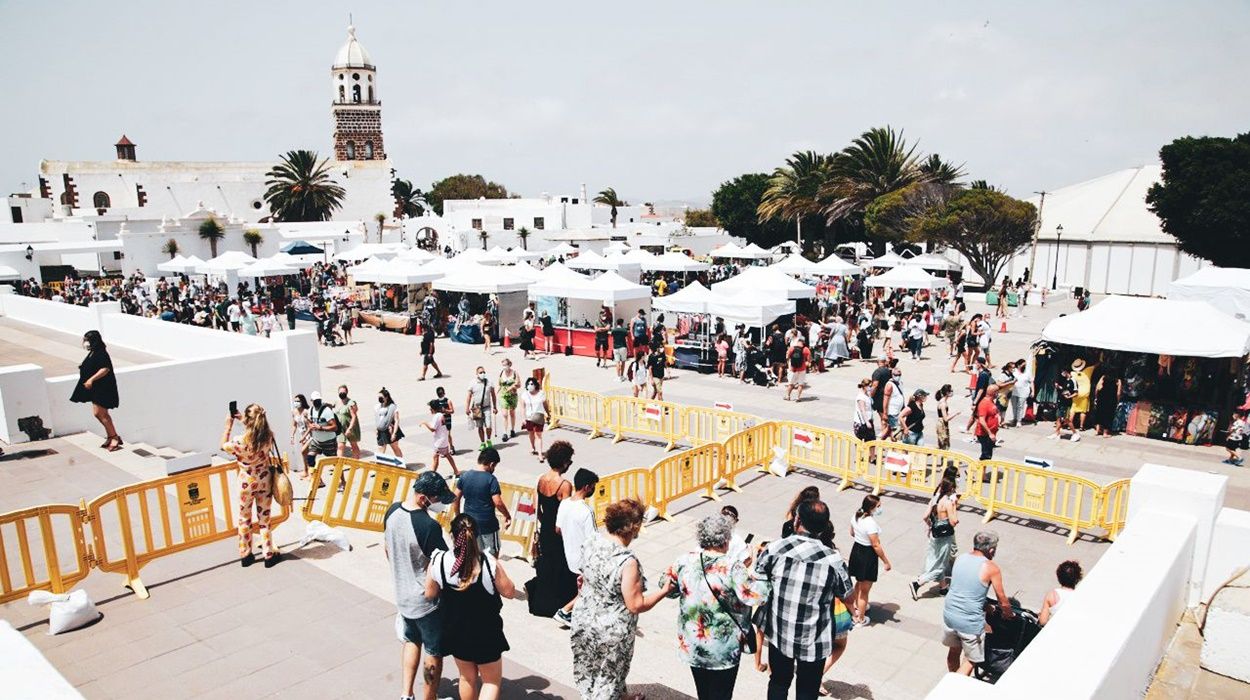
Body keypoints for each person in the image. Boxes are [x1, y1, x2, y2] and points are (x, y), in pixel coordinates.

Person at [570, 499, 673, 699]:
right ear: (633, 528)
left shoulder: (592, 541)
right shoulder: (627, 562)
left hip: (583, 618)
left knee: (589, 671)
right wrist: (665, 590)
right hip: (610, 630)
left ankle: (620, 695)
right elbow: (635, 604)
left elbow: (581, 576)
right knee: (608, 678)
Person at [754, 500, 853, 700]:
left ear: (797, 520)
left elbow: (758, 579)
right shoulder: (834, 561)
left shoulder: (775, 549)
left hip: (780, 632)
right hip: (815, 638)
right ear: (825, 527)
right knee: (807, 691)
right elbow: (846, 593)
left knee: (778, 683)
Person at [662, 514, 770, 699]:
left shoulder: (683, 561)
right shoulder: (733, 567)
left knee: (703, 692)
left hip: (694, 643)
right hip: (724, 648)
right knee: (722, 694)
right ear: (726, 539)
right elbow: (756, 596)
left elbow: (668, 589)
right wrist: (761, 568)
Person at [425, 514, 516, 700]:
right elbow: (509, 591)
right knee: (491, 681)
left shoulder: (439, 561)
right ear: (476, 536)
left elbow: (430, 593)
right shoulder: (488, 564)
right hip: (486, 633)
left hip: (457, 631)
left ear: (451, 535)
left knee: (467, 678)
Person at [384, 471, 454, 700]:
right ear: (425, 498)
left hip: (403, 596)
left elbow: (387, 549)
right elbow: (444, 565)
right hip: (427, 602)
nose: (439, 504)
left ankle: (406, 694)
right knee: (433, 652)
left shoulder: (392, 511)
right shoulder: (427, 526)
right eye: (437, 499)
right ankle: (429, 698)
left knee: (411, 641)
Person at [943, 530, 1014, 675]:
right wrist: (1008, 613)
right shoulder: (991, 567)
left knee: (954, 651)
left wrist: (986, 606)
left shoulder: (960, 558)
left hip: (949, 614)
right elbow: (1002, 600)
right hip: (969, 621)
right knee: (971, 659)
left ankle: (951, 676)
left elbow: (967, 589)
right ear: (991, 550)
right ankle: (955, 688)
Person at [221, 403, 281, 567]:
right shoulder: (269, 436)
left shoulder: (239, 441)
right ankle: (268, 554)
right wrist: (244, 419)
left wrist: (228, 426)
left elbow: (223, 445)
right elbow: (256, 430)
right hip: (264, 481)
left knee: (244, 519)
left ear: (248, 420)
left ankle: (246, 554)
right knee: (264, 519)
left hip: (246, 483)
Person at [528, 441, 579, 617]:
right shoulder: (564, 485)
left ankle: (543, 601)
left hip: (545, 529)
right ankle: (561, 604)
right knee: (561, 567)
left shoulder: (541, 479)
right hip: (558, 531)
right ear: (564, 462)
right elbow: (566, 512)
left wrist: (544, 520)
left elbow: (537, 507)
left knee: (548, 565)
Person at [553, 467, 599, 626]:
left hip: (569, 555)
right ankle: (565, 611)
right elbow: (594, 539)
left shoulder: (564, 504)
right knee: (590, 588)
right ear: (587, 487)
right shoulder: (586, 511)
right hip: (583, 559)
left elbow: (558, 529)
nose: (594, 489)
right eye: (593, 486)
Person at [453, 447, 512, 556]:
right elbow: (498, 502)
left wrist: (458, 516)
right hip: (488, 525)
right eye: (495, 466)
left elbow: (455, 498)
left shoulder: (465, 476)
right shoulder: (491, 479)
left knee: (474, 554)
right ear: (491, 464)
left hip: (469, 524)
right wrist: (507, 515)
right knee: (492, 557)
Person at [70, 330, 123, 451]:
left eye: (86, 340)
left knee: (101, 414)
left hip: (103, 388)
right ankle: (112, 436)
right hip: (97, 389)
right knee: (99, 414)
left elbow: (105, 369)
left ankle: (114, 437)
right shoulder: (93, 352)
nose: (85, 343)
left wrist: (91, 379)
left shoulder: (101, 353)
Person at [911, 477, 959, 599]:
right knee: (941, 564)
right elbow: (954, 521)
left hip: (934, 534)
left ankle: (943, 588)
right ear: (951, 489)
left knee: (935, 560)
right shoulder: (948, 502)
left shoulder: (935, 499)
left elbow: (925, 516)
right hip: (945, 536)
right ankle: (918, 583)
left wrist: (930, 526)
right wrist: (954, 507)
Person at [848, 494, 891, 626]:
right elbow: (876, 545)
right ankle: (860, 618)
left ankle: (856, 605)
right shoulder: (870, 523)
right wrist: (885, 561)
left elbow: (851, 532)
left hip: (856, 550)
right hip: (867, 555)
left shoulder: (856, 516)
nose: (880, 508)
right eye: (878, 506)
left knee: (858, 582)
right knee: (865, 591)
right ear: (872, 508)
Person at [419, 399, 458, 476]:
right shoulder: (441, 415)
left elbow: (433, 429)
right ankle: (456, 470)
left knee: (435, 457)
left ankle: (432, 475)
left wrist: (425, 423)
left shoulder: (437, 416)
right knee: (447, 455)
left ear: (433, 408)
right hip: (444, 439)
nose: (429, 409)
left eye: (430, 408)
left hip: (439, 441)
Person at [1038, 560, 1083, 625]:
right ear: (1078, 578)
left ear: (1059, 577)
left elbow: (1043, 621)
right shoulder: (1080, 596)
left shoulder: (1052, 595)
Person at [465, 367, 498, 450]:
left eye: (483, 372)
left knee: (488, 425)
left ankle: (489, 440)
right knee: (480, 426)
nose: (482, 373)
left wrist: (495, 407)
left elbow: (493, 395)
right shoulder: (472, 383)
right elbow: (469, 396)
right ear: (477, 374)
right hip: (477, 407)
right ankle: (483, 443)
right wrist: (467, 408)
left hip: (487, 407)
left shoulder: (489, 382)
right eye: (480, 372)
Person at [520, 377, 549, 460]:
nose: (530, 385)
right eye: (528, 384)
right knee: (531, 433)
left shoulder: (541, 393)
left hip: (539, 417)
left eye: (532, 384)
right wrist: (523, 418)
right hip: (529, 418)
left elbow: (545, 404)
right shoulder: (524, 394)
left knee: (538, 435)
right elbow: (523, 407)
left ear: (535, 385)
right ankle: (533, 447)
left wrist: (548, 413)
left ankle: (540, 454)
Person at [1051, 366, 1079, 442]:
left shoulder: (1073, 381)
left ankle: (1075, 433)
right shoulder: (1065, 380)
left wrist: (1069, 396)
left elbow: (1076, 393)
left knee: (1067, 419)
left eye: (1063, 372)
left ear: (1067, 372)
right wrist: (1058, 387)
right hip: (1061, 401)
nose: (1062, 373)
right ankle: (1057, 433)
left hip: (1067, 403)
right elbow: (1064, 389)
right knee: (1058, 417)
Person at [375, 387, 404, 460]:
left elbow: (396, 420)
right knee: (381, 448)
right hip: (381, 431)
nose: (379, 399)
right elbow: (378, 419)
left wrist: (394, 433)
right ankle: (379, 464)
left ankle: (400, 463)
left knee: (394, 447)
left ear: (386, 397)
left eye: (381, 397)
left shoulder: (393, 407)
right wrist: (377, 428)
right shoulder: (378, 406)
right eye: (378, 397)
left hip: (391, 430)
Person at [974, 384, 1001, 460]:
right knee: (986, 455)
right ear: (994, 393)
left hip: (991, 433)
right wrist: (990, 434)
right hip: (984, 434)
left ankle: (981, 470)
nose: (998, 393)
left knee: (988, 454)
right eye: (997, 392)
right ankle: (978, 470)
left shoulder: (991, 401)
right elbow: (981, 420)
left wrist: (998, 418)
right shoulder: (984, 403)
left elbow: (994, 411)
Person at [1093, 367, 1122, 437]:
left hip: (1102, 397)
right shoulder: (1118, 381)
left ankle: (1097, 431)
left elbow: (1097, 387)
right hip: (1111, 399)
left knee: (1099, 413)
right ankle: (1105, 433)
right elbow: (1118, 393)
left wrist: (1096, 396)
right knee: (1108, 415)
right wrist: (1118, 400)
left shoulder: (1103, 377)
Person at [335, 384, 361, 459]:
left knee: (353, 445)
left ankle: (355, 462)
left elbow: (354, 416)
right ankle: (339, 466)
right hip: (340, 428)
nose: (342, 394)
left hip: (350, 427)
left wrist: (350, 428)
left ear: (347, 392)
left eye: (343, 392)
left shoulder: (350, 403)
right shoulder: (336, 402)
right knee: (340, 446)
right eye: (340, 392)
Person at [497, 359, 520, 441]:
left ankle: (512, 429)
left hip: (512, 396)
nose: (504, 367)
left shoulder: (514, 373)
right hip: (503, 396)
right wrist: (496, 392)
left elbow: (519, 384)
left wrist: (512, 387)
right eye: (503, 365)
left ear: (509, 365)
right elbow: (499, 384)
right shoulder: (501, 373)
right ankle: (505, 433)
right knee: (505, 414)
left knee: (512, 413)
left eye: (505, 365)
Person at [290, 393, 312, 477]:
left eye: (298, 401)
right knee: (304, 453)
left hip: (310, 435)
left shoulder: (306, 412)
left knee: (305, 452)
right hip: (302, 436)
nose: (296, 403)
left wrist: (304, 437)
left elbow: (310, 426)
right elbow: (294, 425)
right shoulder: (294, 412)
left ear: (302, 402)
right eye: (295, 401)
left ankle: (314, 474)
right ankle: (306, 471)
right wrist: (292, 436)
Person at [1008, 359, 1033, 427]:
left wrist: (1033, 391)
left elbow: (1031, 382)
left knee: (1020, 406)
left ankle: (1019, 421)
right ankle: (1015, 418)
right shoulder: (1014, 371)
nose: (1024, 366)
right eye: (1023, 365)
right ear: (1018, 365)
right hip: (1014, 391)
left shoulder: (1027, 372)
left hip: (1023, 392)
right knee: (1014, 406)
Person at [433, 386, 457, 455]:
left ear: (444, 393)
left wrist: (445, 410)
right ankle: (443, 450)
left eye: (441, 393)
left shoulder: (448, 401)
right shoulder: (436, 402)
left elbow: (452, 411)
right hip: (441, 421)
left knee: (448, 435)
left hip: (447, 420)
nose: (440, 395)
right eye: (439, 394)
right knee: (442, 436)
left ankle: (451, 447)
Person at [934, 384, 958, 450]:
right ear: (947, 392)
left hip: (942, 424)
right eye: (951, 391)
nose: (952, 392)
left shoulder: (943, 401)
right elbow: (946, 419)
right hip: (942, 425)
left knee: (942, 445)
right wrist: (956, 413)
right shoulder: (943, 404)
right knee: (945, 446)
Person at [1070, 358, 1091, 432]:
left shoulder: (1072, 373)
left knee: (1073, 409)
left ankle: (1070, 424)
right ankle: (1081, 426)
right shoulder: (1088, 371)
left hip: (1076, 393)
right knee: (1083, 411)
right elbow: (1096, 365)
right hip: (1085, 393)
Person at [852, 378, 876, 442]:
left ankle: (871, 452)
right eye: (869, 386)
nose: (870, 388)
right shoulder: (861, 397)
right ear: (865, 386)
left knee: (871, 441)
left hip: (869, 420)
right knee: (859, 441)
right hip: (861, 423)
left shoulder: (867, 395)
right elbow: (862, 410)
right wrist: (867, 422)